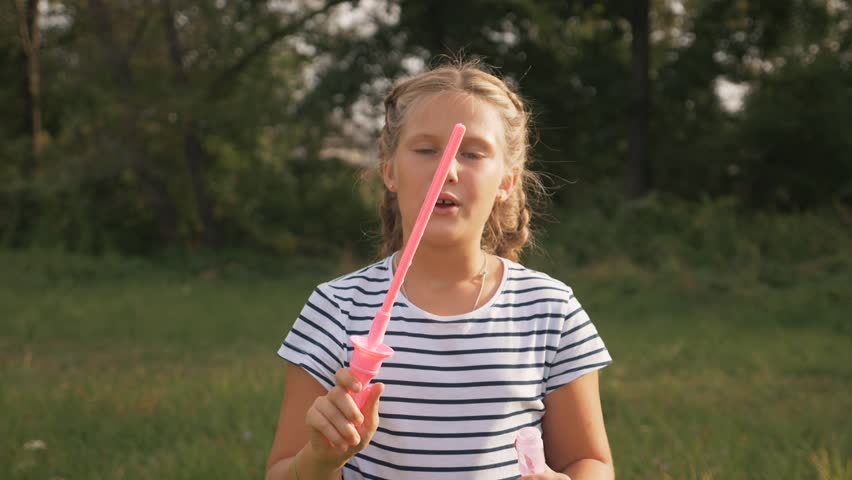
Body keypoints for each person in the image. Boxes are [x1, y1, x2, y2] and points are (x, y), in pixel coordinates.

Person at [266, 60, 615, 480]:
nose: (446, 170)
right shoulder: (336, 308)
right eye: (426, 150)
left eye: (472, 153)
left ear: (507, 180)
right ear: (390, 172)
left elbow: (589, 462)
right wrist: (321, 460)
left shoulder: (550, 310)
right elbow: (283, 470)